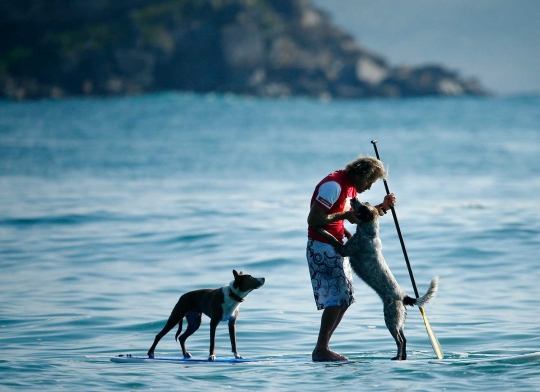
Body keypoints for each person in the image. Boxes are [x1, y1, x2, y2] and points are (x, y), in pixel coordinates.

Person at [306, 155, 396, 362]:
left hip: (337, 246)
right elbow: (313, 219)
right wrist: (344, 217)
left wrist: (383, 207)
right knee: (337, 298)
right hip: (321, 246)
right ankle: (321, 350)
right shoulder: (333, 186)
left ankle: (323, 347)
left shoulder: (351, 187)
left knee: (345, 299)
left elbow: (359, 216)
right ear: (361, 174)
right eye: (370, 181)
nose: (370, 186)